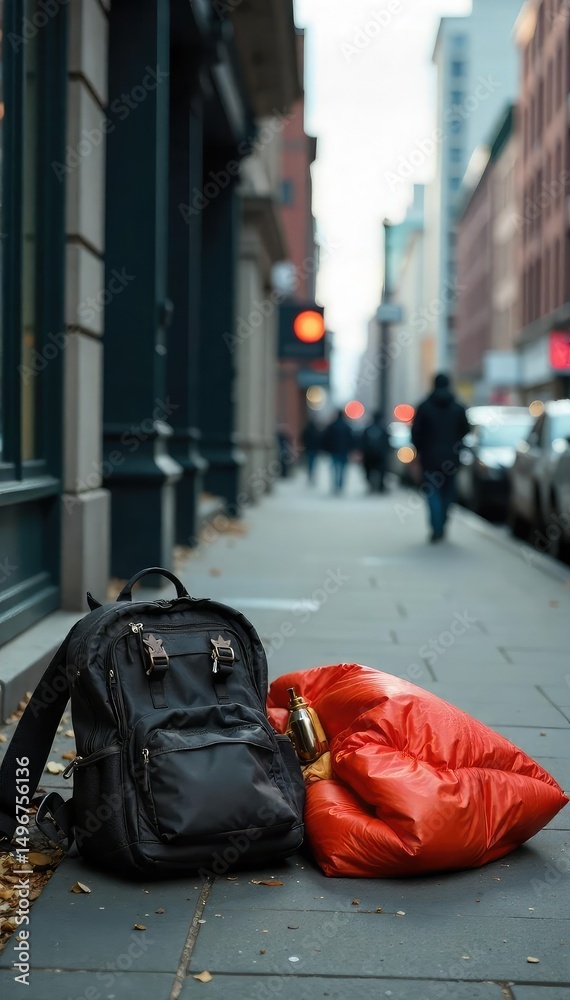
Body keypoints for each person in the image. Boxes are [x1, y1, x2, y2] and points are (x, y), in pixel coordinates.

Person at [411, 373, 470, 542]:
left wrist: (419, 449)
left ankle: (436, 526)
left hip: (430, 458)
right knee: (448, 493)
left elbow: (416, 433)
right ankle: (442, 523)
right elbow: (466, 430)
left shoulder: (424, 407)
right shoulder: (458, 407)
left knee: (432, 493)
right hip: (451, 459)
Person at [321, 409, 354, 494]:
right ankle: (340, 485)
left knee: (335, 468)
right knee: (343, 469)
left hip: (334, 451)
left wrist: (326, 449)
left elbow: (326, 438)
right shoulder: (347, 426)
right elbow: (351, 439)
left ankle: (335, 485)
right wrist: (351, 449)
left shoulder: (332, 426)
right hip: (344, 451)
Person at [361, 411, 389, 493]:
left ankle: (373, 486)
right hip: (379, 455)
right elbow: (387, 443)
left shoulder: (368, 429)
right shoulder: (383, 430)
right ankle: (379, 486)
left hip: (369, 455)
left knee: (369, 471)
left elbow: (363, 442)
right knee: (381, 471)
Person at [302, 419, 321, 484]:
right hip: (315, 450)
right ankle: (312, 476)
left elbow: (302, 439)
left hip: (308, 449)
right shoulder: (316, 431)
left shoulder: (306, 431)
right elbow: (319, 440)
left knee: (309, 463)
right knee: (314, 463)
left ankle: (310, 475)